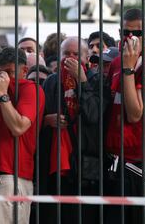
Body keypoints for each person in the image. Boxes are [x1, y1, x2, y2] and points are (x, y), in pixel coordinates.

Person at [104, 8, 145, 224]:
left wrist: (128, 68)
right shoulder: (114, 63)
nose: (130, 38)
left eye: (137, 33)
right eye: (125, 32)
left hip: (140, 161)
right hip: (113, 159)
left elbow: (135, 113)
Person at [0, 47, 45, 223]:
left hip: (12, 178)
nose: (4, 78)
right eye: (1, 72)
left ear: (24, 70)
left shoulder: (31, 88)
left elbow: (18, 127)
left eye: (9, 72)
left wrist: (3, 95)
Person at [39, 36, 101, 224]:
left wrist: (81, 81)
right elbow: (37, 119)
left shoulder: (96, 80)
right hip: (56, 163)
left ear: (86, 57)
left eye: (76, 54)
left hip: (86, 163)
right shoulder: (51, 82)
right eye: (66, 54)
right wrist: (47, 120)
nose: (71, 58)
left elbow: (93, 114)